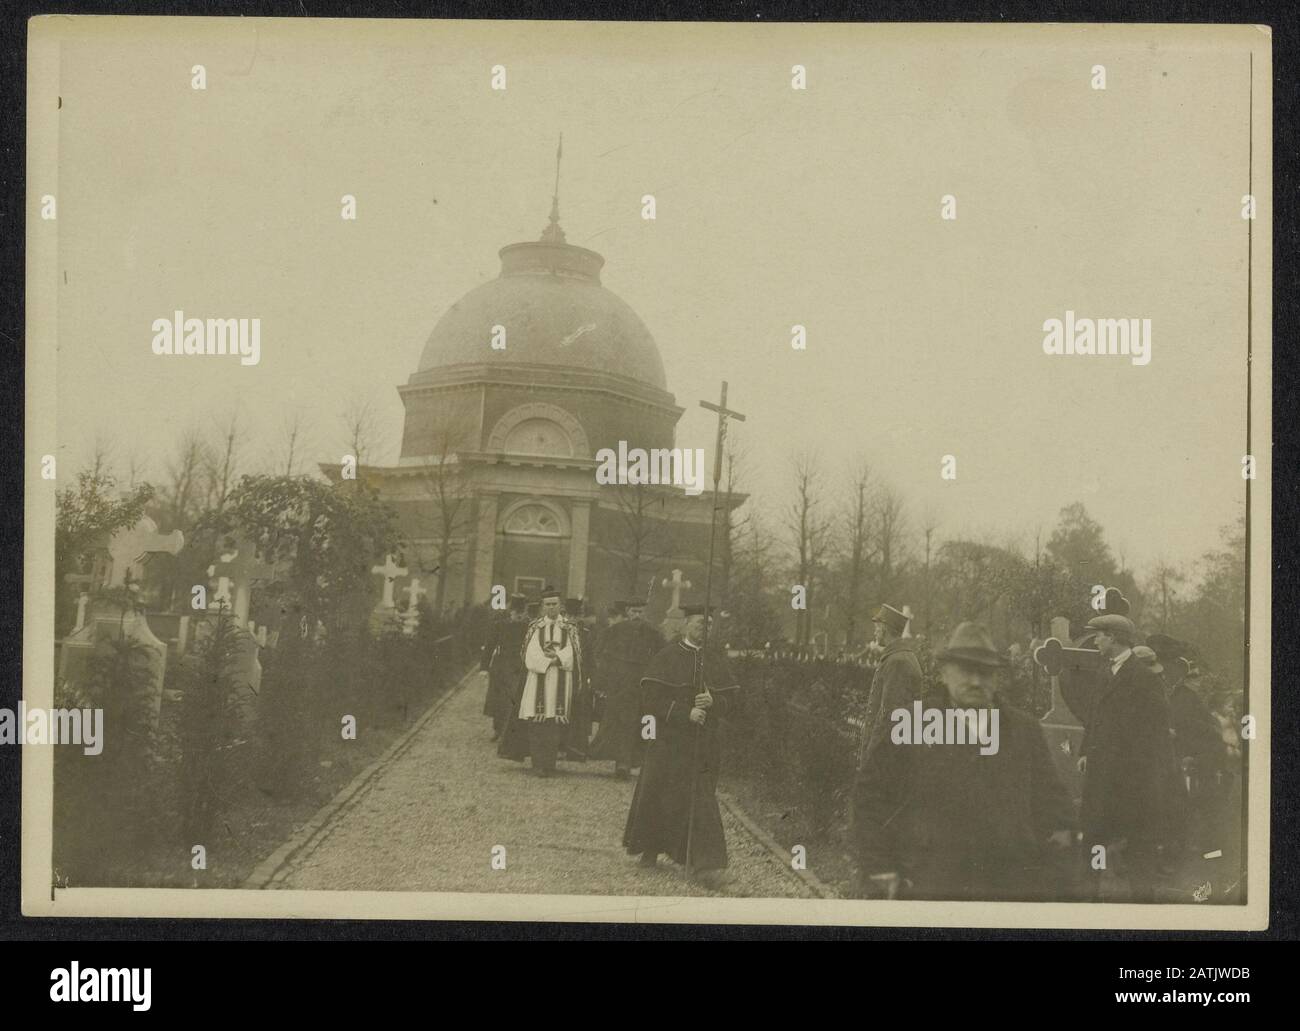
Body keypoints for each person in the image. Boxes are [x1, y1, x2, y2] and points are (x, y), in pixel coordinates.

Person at [852, 621, 1074, 901]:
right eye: (966, 670)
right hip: (929, 886)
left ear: (997, 677)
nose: (976, 681)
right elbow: (870, 795)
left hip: (1005, 890)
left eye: (985, 672)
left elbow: (1054, 807)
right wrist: (879, 866)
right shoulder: (912, 723)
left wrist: (1050, 878)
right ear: (944, 673)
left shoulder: (1022, 730)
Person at [622, 604, 739, 885]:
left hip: (703, 743)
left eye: (709, 624)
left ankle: (704, 864)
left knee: (701, 798)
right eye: (700, 623)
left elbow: (733, 703)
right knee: (658, 792)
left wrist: (714, 703)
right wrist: (684, 712)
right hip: (669, 741)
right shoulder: (667, 656)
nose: (704, 628)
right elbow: (650, 699)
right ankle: (650, 847)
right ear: (686, 625)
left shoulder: (715, 659)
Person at [1078, 613, 1175, 902]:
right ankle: (1085, 905)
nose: (1095, 640)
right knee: (1093, 840)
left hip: (1132, 782)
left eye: (1099, 635)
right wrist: (1085, 751)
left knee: (1137, 846)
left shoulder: (1143, 677)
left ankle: (1142, 910)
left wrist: (1141, 775)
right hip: (1101, 775)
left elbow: (1157, 731)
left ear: (1115, 638)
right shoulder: (1106, 672)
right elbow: (1094, 717)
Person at [497, 587, 584, 777]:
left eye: (555, 604)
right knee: (537, 722)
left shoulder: (570, 628)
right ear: (543, 606)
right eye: (548, 605)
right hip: (537, 680)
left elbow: (573, 653)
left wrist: (556, 659)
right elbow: (530, 655)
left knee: (553, 723)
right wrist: (549, 661)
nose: (551, 608)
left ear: (560, 606)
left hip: (561, 679)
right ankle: (538, 763)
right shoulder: (535, 627)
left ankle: (550, 763)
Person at [590, 600, 664, 778]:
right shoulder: (614, 632)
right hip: (619, 686)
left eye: (640, 612)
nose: (637, 615)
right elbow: (602, 657)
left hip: (642, 687)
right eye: (633, 611)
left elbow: (661, 659)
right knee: (620, 724)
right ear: (627, 612)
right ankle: (621, 763)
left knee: (644, 724)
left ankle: (639, 762)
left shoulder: (653, 634)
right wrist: (601, 683)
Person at [479, 593, 529, 740]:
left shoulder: (529, 626)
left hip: (519, 665)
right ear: (510, 611)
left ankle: (512, 732)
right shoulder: (500, 625)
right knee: (499, 698)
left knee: (515, 698)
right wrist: (484, 667)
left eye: (520, 613)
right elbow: (490, 646)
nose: (518, 616)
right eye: (515, 612)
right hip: (501, 665)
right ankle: (498, 729)